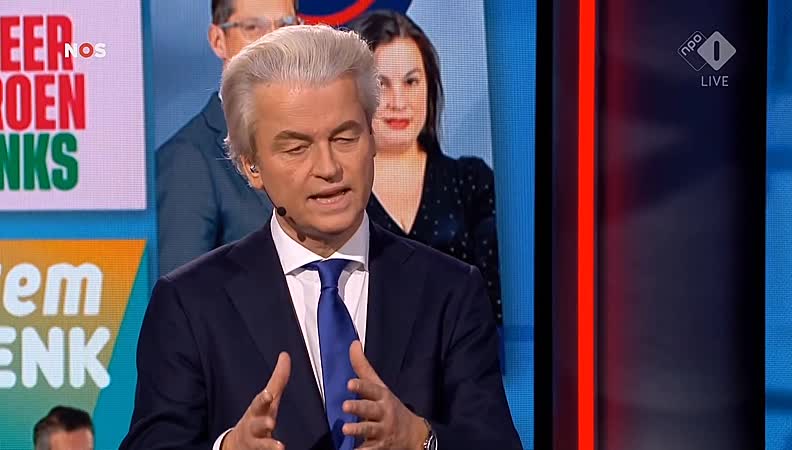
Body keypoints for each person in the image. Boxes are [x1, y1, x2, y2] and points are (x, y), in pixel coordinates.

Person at [122, 24, 521, 450]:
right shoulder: (189, 304)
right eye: (296, 148)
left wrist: (421, 439)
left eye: (345, 138)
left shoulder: (450, 292)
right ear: (251, 166)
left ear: (372, 139)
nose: (329, 168)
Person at [348, 11, 504, 325]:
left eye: (411, 82)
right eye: (380, 84)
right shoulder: (332, 188)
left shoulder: (470, 182)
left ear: (429, 86)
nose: (398, 101)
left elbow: (499, 305)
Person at [157, 0, 301, 276]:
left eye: (286, 26)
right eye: (253, 27)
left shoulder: (321, 138)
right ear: (218, 40)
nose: (275, 42)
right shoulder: (187, 159)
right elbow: (182, 293)